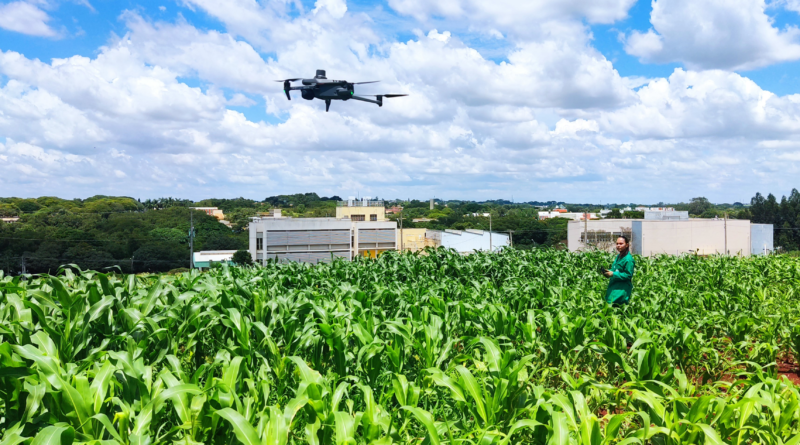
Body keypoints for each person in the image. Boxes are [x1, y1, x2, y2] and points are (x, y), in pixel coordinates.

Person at [603, 235, 635, 306]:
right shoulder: (618, 257)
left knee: (616, 308)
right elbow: (615, 269)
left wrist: (613, 274)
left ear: (627, 245)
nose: (618, 245)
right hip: (613, 288)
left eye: (621, 244)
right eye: (617, 243)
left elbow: (628, 275)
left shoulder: (628, 259)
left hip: (621, 290)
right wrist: (608, 272)